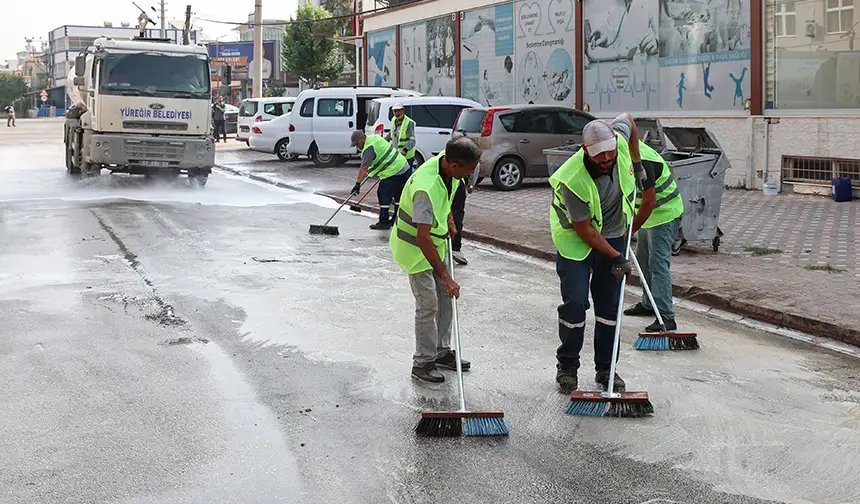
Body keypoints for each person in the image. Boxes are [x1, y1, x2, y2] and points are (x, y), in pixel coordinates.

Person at [548, 114, 656, 394]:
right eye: (600, 156)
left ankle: (607, 368)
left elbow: (628, 120)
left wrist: (636, 162)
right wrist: (617, 255)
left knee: (609, 307)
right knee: (575, 304)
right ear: (585, 150)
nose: (608, 158)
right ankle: (567, 365)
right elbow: (585, 231)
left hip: (613, 236)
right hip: (576, 242)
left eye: (610, 152)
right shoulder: (572, 179)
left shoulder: (616, 141)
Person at [390, 137, 482, 382]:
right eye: (470, 170)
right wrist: (446, 276)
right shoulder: (425, 188)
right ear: (453, 166)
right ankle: (422, 363)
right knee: (429, 304)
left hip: (436, 240)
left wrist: (449, 219)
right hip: (415, 249)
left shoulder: (447, 164)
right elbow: (422, 238)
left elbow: (447, 195)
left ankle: (441, 352)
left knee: (445, 298)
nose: (472, 173)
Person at [623, 138, 684, 332]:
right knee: (643, 261)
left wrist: (630, 230)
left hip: (665, 214)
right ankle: (648, 304)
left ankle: (666, 316)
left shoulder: (643, 161)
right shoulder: (623, 153)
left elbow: (649, 200)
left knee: (658, 265)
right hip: (647, 216)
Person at [350, 130, 411, 230]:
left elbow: (364, 168)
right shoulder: (375, 138)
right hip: (404, 167)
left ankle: (384, 221)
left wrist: (357, 184)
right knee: (398, 195)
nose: (357, 147)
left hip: (394, 170)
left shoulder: (368, 149)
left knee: (383, 193)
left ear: (363, 138)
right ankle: (396, 219)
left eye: (357, 144)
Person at [450, 159, 480, 266]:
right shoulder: (469, 151)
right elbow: (476, 168)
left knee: (454, 215)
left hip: (455, 184)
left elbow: (475, 168)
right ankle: (454, 248)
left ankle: (454, 248)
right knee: (456, 215)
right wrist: (471, 184)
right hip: (454, 184)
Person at [385, 103, 417, 170]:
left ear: (402, 110)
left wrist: (405, 150)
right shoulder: (393, 120)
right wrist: (383, 141)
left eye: (398, 110)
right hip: (395, 155)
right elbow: (391, 133)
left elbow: (412, 140)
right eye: (395, 111)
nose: (397, 113)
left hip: (406, 156)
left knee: (406, 175)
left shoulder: (408, 123)